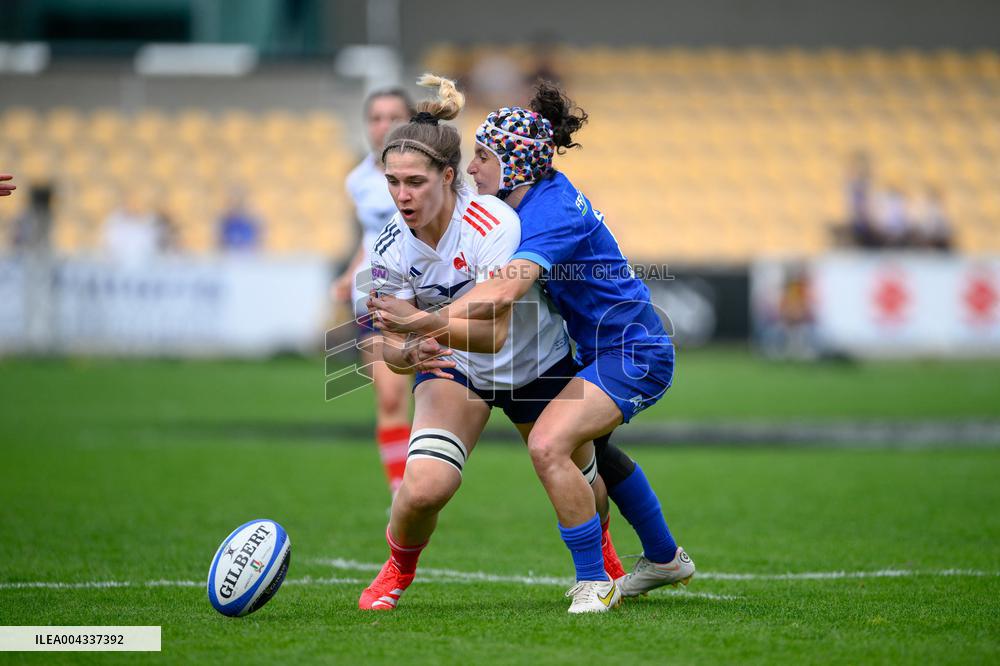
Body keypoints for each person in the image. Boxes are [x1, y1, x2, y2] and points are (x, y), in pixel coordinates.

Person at [372, 82, 695, 611]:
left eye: (483, 157)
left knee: (549, 445)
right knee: (598, 452)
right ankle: (662, 557)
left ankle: (594, 580)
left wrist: (419, 320)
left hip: (630, 350)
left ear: (514, 166)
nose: (473, 169)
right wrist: (403, 338)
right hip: (595, 349)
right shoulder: (524, 201)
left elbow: (501, 293)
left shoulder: (547, 214)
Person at [333, 88, 417, 495]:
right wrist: (350, 273)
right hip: (376, 291)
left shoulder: (435, 170)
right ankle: (401, 493)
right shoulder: (358, 180)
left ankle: (430, 481)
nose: (383, 126)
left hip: (428, 290)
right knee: (389, 395)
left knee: (442, 395)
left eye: (393, 117)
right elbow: (372, 238)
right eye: (376, 118)